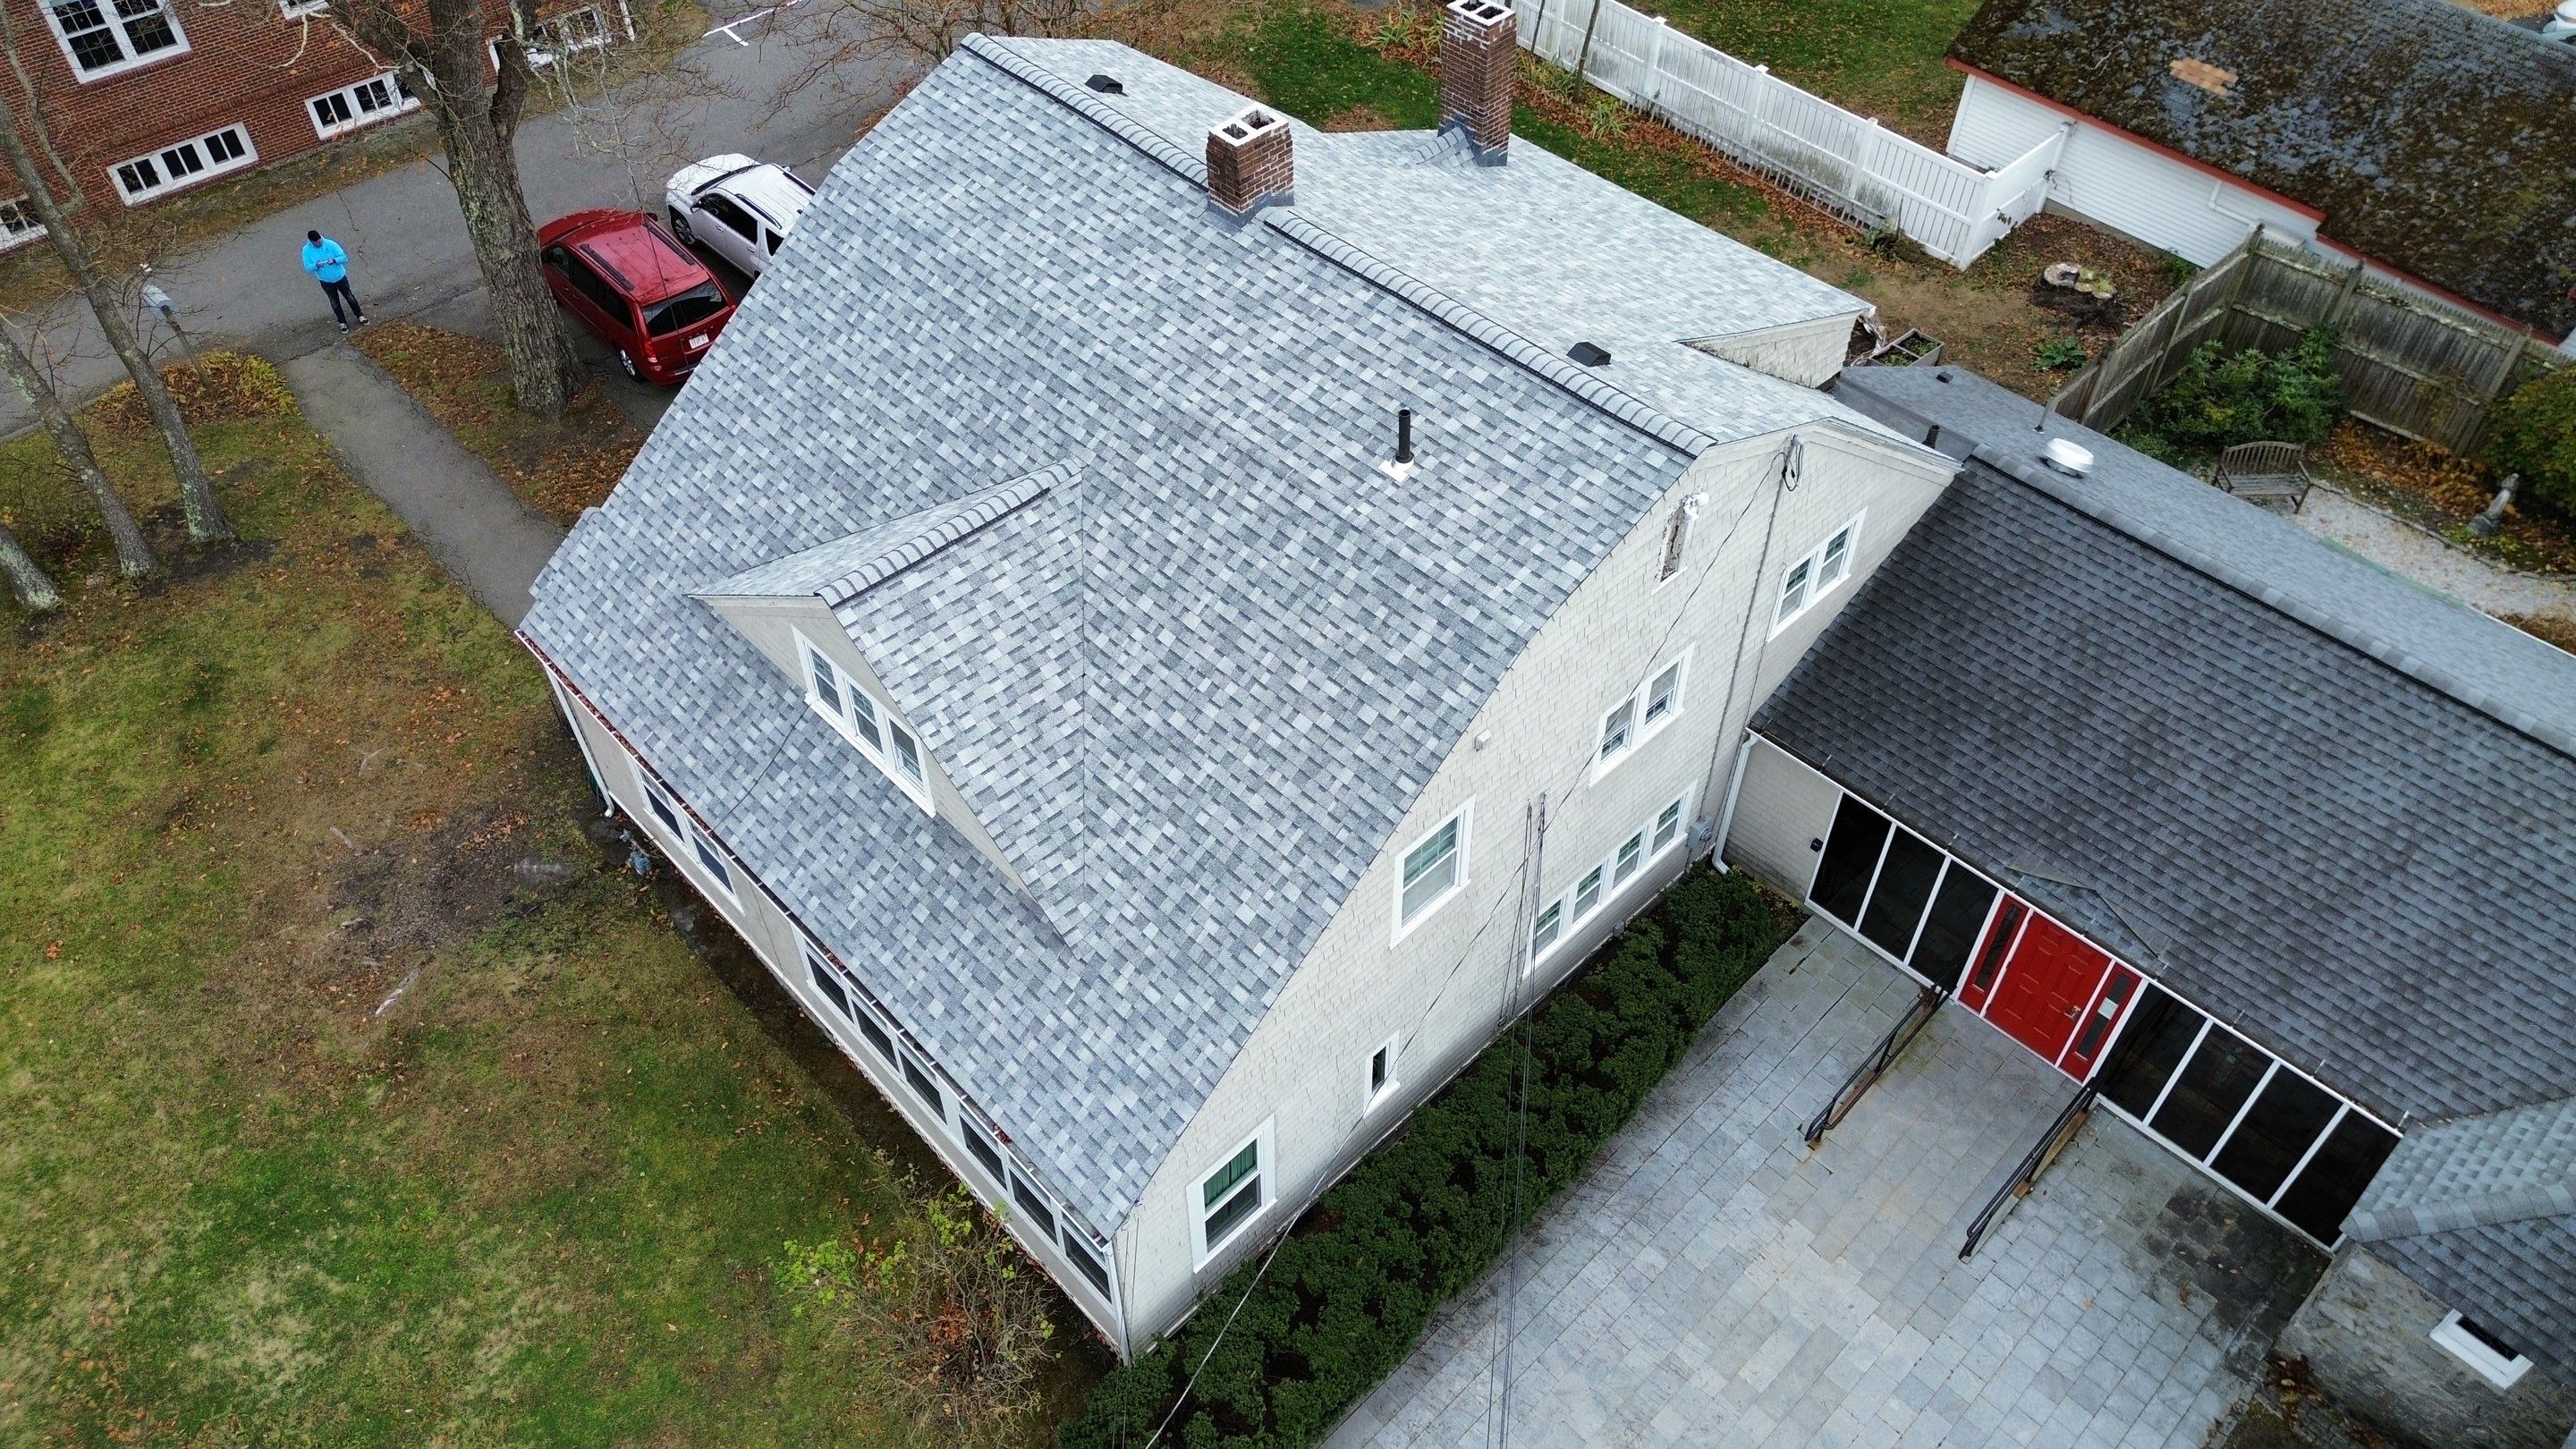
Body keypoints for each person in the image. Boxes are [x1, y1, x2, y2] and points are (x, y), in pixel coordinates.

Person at [301, 230, 368, 332]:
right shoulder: (306, 250)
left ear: (320, 238)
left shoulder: (330, 244)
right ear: (310, 242)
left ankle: (360, 315)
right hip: (325, 281)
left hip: (340, 278)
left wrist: (335, 260)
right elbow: (308, 267)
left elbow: (344, 257)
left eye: (319, 242)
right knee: (334, 302)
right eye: (315, 243)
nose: (318, 244)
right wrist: (316, 265)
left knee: (350, 297)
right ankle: (342, 322)